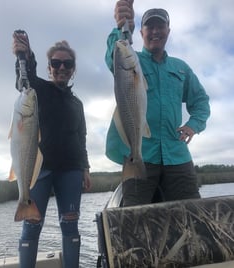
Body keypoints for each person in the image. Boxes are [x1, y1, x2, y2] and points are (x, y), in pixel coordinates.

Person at [105, 0, 210, 206]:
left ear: (168, 31)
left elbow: (201, 101)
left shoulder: (181, 68)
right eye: (149, 26)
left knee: (193, 216)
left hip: (177, 154)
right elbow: (113, 57)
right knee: (132, 219)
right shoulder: (132, 60)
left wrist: (193, 125)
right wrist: (121, 27)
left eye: (160, 26)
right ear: (141, 32)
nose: (155, 31)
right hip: (140, 154)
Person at [12, 31, 91, 268]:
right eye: (56, 63)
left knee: (70, 224)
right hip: (39, 169)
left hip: (71, 170)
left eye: (67, 64)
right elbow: (24, 79)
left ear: (73, 68)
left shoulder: (77, 104)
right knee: (32, 223)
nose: (61, 68)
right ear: (49, 67)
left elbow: (81, 137)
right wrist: (25, 55)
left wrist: (85, 168)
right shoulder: (38, 91)